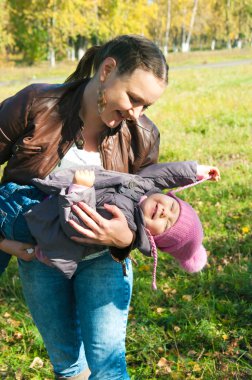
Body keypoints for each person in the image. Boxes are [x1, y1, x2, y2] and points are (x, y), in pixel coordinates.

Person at [0, 34, 199, 379]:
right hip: (40, 257)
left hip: (104, 261)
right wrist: (4, 242)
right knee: (68, 364)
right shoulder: (35, 105)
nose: (135, 114)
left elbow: (143, 199)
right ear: (106, 70)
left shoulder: (143, 135)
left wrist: (123, 241)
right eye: (133, 98)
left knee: (108, 365)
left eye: (146, 106)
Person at [0, 162, 220, 287]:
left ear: (153, 238)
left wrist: (80, 190)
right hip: (37, 210)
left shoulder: (124, 222)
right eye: (172, 207)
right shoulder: (144, 188)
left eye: (167, 223)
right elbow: (162, 174)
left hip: (25, 216)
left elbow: (78, 225)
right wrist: (194, 172)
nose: (164, 212)